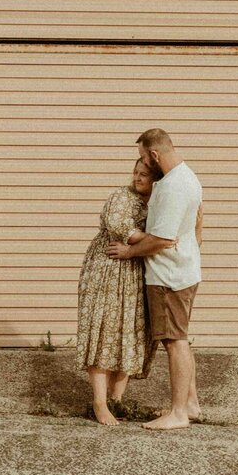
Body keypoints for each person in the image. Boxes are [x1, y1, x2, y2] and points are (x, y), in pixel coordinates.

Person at [107, 129, 203, 430]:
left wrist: (128, 251)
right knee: (180, 340)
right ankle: (190, 404)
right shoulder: (188, 177)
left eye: (143, 158)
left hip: (169, 276)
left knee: (175, 342)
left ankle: (178, 413)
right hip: (182, 270)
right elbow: (200, 219)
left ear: (155, 155)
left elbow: (162, 239)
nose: (143, 165)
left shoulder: (174, 186)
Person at [76, 159, 164, 426]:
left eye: (144, 175)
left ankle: (116, 399)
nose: (137, 178)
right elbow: (120, 229)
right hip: (108, 270)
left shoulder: (158, 202)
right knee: (104, 331)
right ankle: (99, 402)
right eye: (135, 173)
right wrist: (158, 239)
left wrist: (158, 239)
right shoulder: (121, 196)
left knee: (130, 334)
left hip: (137, 273)